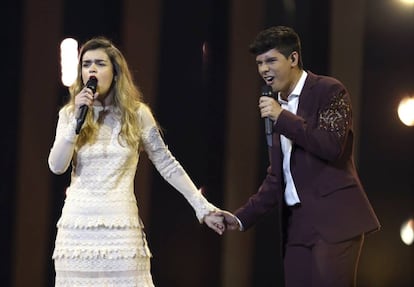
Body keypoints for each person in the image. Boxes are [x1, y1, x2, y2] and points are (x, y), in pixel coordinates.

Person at [48, 37, 224, 287]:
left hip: (121, 229)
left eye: (100, 63)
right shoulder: (69, 114)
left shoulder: (137, 114)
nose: (92, 70)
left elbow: (166, 163)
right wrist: (75, 122)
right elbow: (56, 166)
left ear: (116, 72)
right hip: (77, 231)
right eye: (87, 64)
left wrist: (201, 206)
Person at [217, 26, 380, 287]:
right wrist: (239, 218)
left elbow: (330, 145)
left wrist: (282, 118)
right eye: (259, 63)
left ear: (293, 59)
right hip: (296, 226)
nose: (264, 70)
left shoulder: (329, 90)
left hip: (334, 220)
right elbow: (276, 177)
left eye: (271, 61)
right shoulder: (275, 108)